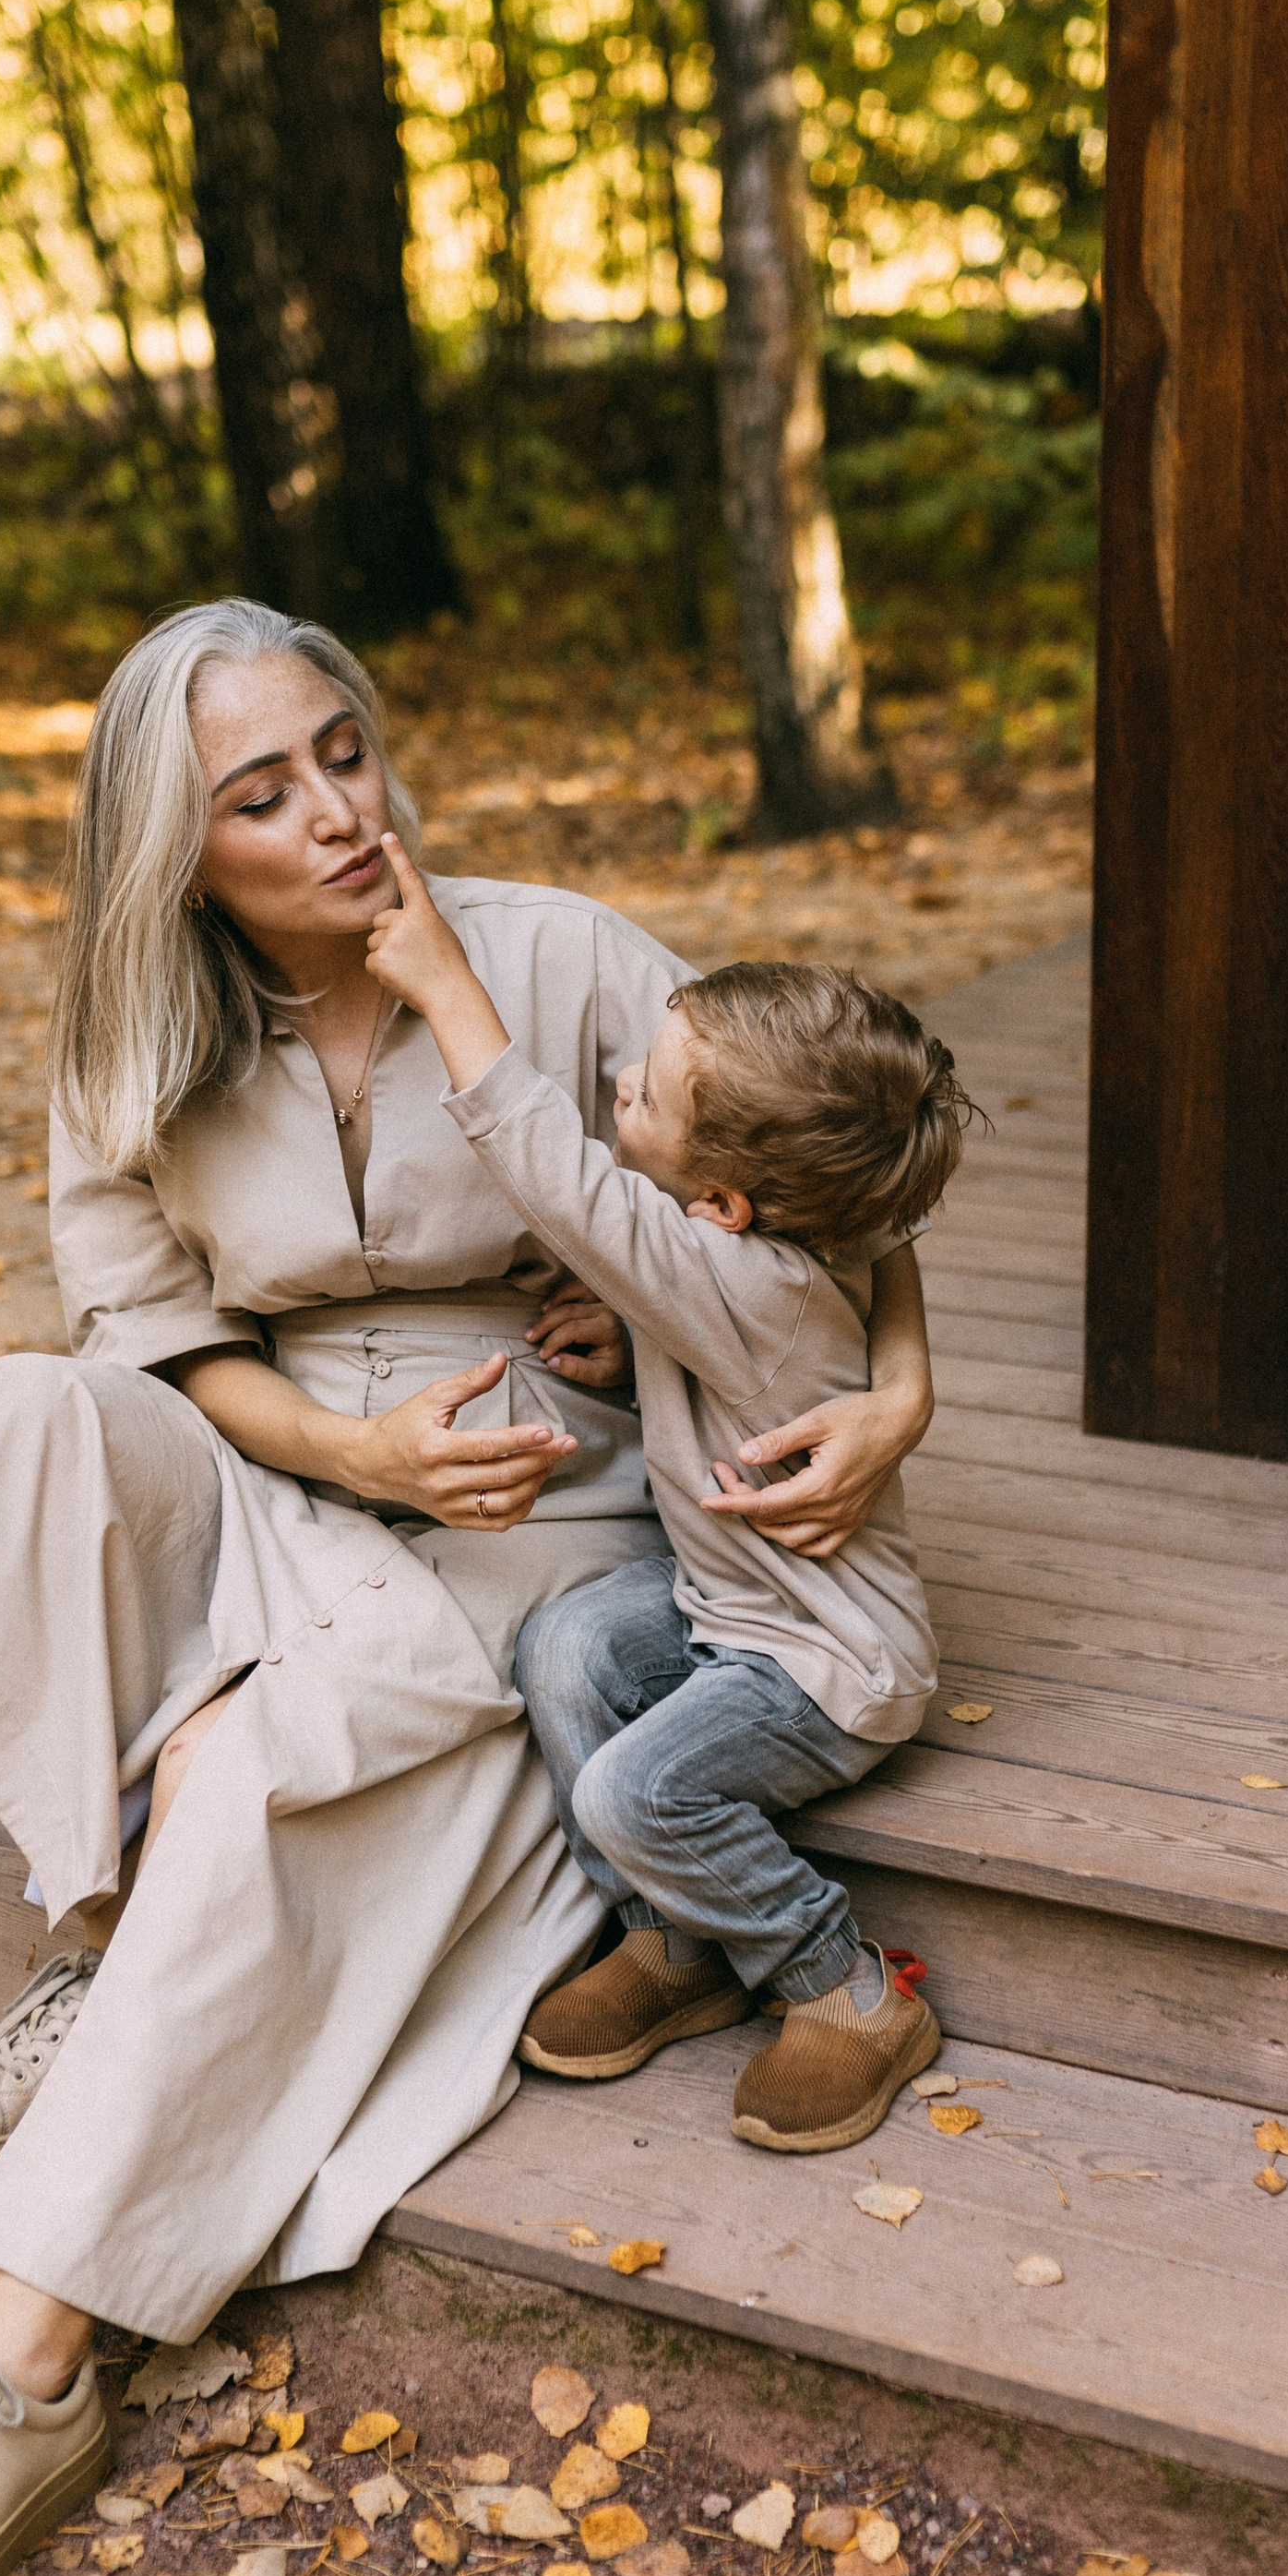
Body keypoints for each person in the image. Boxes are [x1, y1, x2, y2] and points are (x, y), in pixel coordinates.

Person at [0, 597, 935, 2576]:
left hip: (540, 1470)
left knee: (262, 1753)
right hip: (288, 1442)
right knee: (19, 1415)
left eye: (346, 753)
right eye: (261, 793)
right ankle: (108, 1928)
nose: (336, 813)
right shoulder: (130, 1032)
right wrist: (341, 1452)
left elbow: (833, 1176)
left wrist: (898, 1395)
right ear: (172, 848)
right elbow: (144, 1334)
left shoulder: (553, 953)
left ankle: (19, 2360)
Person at [363, 840, 967, 2153]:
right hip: (722, 1607)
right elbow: (722, 1344)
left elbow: (560, 1180)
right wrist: (639, 1360)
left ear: (725, 1204)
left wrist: (447, 988)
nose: (618, 1083)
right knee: (567, 1645)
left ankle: (843, 1986)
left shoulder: (731, 1274)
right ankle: (673, 1942)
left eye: (647, 1094)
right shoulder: (762, 1257)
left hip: (823, 1663)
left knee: (634, 1792)